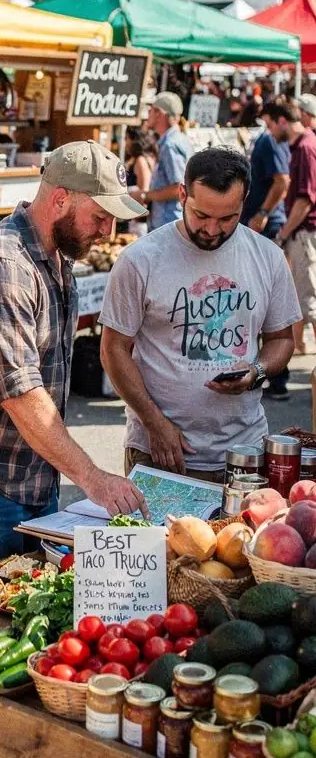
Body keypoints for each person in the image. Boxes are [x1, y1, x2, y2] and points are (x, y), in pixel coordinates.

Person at [0, 141, 148, 569]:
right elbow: (21, 392)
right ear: (60, 199)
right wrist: (92, 479)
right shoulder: (2, 264)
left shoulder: (54, 257)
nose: (106, 232)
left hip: (28, 472)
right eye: (99, 217)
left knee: (24, 603)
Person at [100, 147, 300, 483]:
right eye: (201, 215)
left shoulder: (268, 257)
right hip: (159, 450)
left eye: (227, 218)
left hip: (244, 453)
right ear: (182, 195)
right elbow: (113, 349)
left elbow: (282, 339)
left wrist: (257, 370)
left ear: (244, 202)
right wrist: (154, 422)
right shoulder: (141, 260)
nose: (211, 229)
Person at [241, 100, 293, 399]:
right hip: (267, 223)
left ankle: (277, 378)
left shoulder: (267, 140)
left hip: (266, 226)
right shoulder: (271, 140)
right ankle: (275, 377)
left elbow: (282, 182)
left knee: (266, 303)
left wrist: (261, 212)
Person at [278, 101, 316, 355]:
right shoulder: (302, 146)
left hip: (304, 231)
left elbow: (305, 198)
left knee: (309, 297)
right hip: (301, 231)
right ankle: (299, 344)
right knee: (303, 294)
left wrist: (283, 232)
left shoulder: (305, 147)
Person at [132, 93, 192, 231]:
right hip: (169, 222)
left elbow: (179, 188)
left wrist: (145, 196)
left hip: (169, 223)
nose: (148, 114)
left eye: (151, 110)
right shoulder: (176, 140)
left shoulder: (170, 144)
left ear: (159, 113)